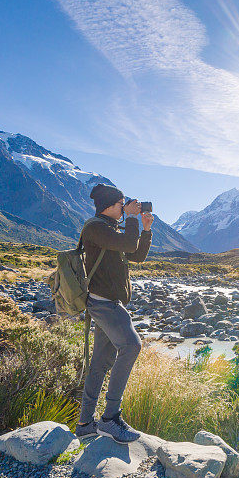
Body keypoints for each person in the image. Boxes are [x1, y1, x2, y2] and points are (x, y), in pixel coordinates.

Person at [74, 183, 153, 443]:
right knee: (131, 346)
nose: (124, 208)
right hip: (103, 303)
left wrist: (146, 229)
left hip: (109, 303)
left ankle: (85, 423)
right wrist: (131, 219)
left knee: (100, 363)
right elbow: (129, 246)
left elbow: (137, 255)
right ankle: (110, 419)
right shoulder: (95, 228)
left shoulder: (109, 230)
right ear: (109, 206)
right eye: (122, 204)